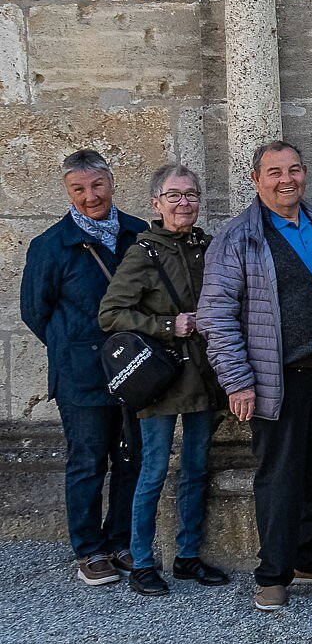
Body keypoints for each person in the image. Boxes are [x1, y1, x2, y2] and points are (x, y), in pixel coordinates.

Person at [199, 141, 312, 611]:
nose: (286, 179)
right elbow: (216, 314)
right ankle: (273, 573)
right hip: (278, 378)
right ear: (256, 179)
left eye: (294, 169)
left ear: (305, 173)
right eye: (274, 172)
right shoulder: (239, 237)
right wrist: (238, 381)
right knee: (281, 478)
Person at [96, 164, 230, 596]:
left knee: (195, 469)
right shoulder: (143, 253)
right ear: (156, 203)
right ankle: (142, 561)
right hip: (162, 378)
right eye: (174, 196)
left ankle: (188, 556)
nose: (183, 204)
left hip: (202, 377)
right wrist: (171, 325)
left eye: (190, 195)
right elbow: (110, 314)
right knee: (153, 469)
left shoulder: (207, 246)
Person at [22, 150, 145, 586]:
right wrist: (76, 349)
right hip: (82, 374)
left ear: (112, 183)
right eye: (79, 189)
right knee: (89, 461)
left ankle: (122, 541)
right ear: (68, 191)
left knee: (133, 458)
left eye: (97, 186)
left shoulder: (138, 233)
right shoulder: (50, 246)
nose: (90, 197)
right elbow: (35, 312)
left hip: (135, 371)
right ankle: (89, 550)